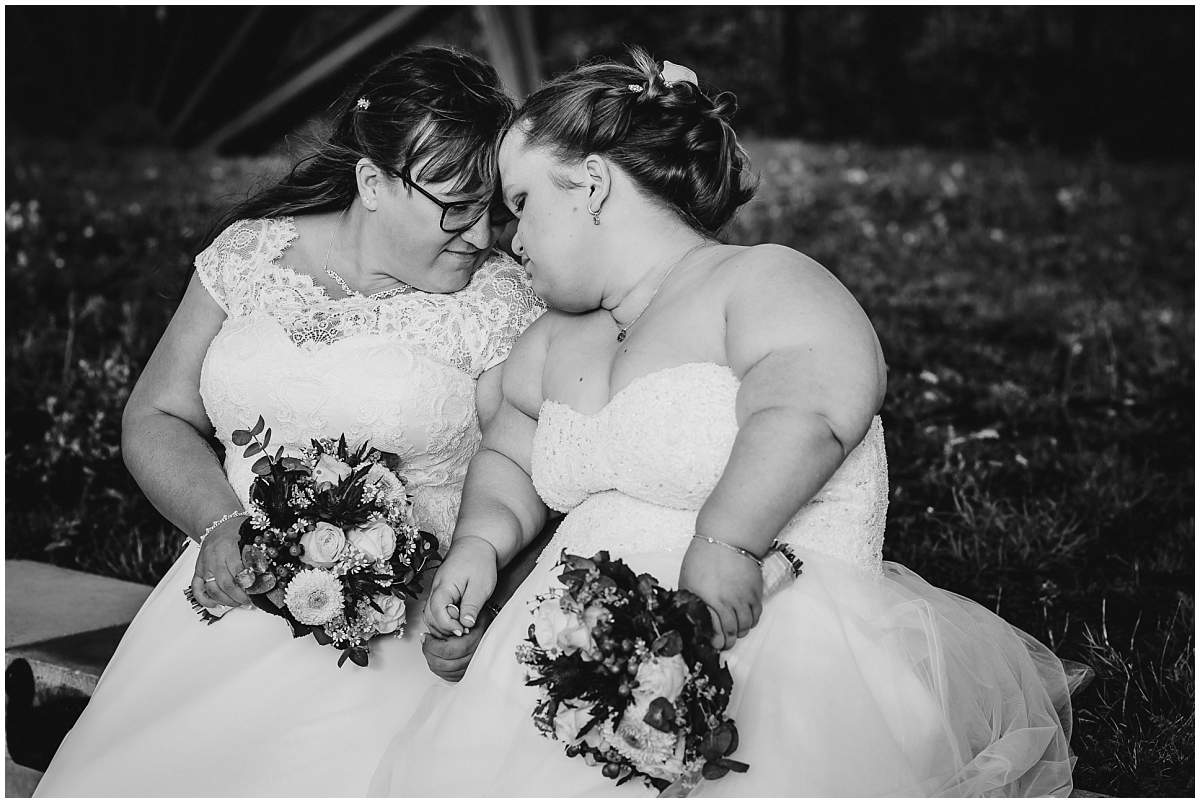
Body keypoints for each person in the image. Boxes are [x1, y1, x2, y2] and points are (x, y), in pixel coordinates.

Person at [370, 50, 1079, 796]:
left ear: (594, 186)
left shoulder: (756, 281)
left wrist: (728, 536)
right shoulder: (551, 341)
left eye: (521, 204)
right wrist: (481, 541)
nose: (510, 239)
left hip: (767, 639)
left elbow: (816, 399)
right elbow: (512, 460)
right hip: (577, 655)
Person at [35, 47, 545, 796]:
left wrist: (488, 598)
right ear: (373, 182)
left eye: (492, 209)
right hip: (219, 608)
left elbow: (527, 468)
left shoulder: (497, 301)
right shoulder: (249, 254)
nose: (479, 236)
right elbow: (156, 411)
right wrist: (216, 524)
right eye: (457, 208)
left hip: (398, 644)